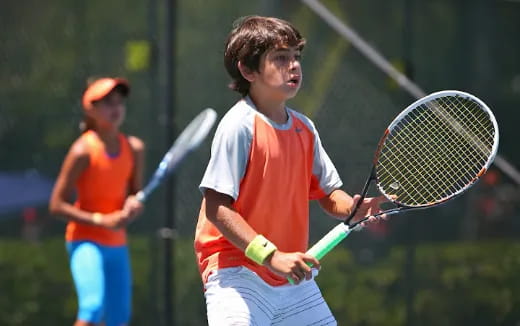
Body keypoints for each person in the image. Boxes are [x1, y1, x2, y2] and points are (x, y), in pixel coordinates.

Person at [194, 16, 387, 325]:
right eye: (280, 58)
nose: (294, 66)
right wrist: (271, 257)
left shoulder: (304, 129)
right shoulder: (238, 126)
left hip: (291, 277)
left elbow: (328, 194)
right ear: (248, 69)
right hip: (236, 271)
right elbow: (218, 209)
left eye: (296, 57)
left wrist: (351, 207)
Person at [49, 77, 145, 326]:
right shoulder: (82, 151)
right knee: (92, 309)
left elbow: (135, 194)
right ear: (90, 109)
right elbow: (56, 204)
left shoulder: (134, 148)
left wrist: (132, 206)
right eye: (107, 103)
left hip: (117, 244)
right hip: (85, 241)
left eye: (119, 102)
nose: (116, 108)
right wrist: (101, 220)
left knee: (118, 319)